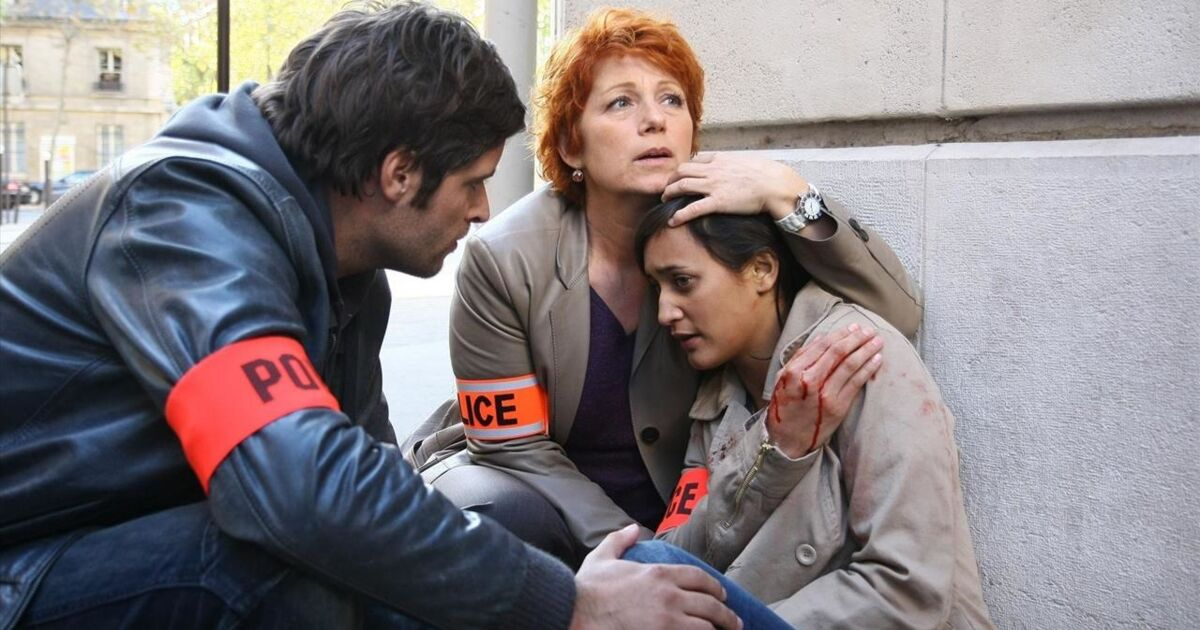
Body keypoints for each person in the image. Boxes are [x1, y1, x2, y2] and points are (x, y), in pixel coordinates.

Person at [0, 4, 750, 628]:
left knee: (415, 554)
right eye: (473, 182)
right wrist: (569, 604)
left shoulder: (350, 271)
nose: (481, 210)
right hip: (29, 563)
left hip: (124, 542)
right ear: (398, 174)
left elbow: (372, 475)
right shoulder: (181, 217)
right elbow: (299, 484)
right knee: (293, 563)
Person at [405, 6, 923, 567]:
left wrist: (788, 192)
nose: (654, 120)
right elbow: (515, 447)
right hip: (536, 498)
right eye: (620, 103)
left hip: (692, 513)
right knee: (503, 515)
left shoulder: (730, 220)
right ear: (572, 145)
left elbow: (894, 314)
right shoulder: (504, 259)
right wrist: (639, 551)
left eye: (672, 100)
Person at [636, 196, 995, 628]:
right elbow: (676, 561)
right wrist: (776, 448)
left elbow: (908, 587)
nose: (664, 312)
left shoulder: (859, 356)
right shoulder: (717, 397)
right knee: (641, 562)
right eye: (656, 288)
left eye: (683, 281)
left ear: (762, 270)